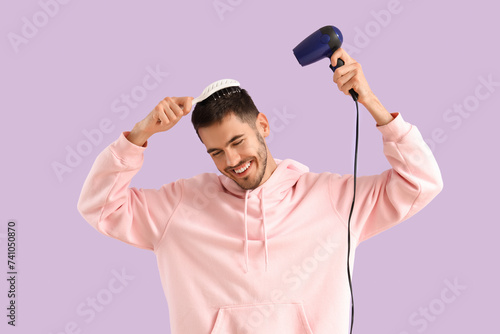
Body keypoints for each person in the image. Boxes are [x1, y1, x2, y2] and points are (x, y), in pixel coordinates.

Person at [77, 48, 443, 334]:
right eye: (216, 151)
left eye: (237, 141)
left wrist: (370, 102)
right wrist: (139, 135)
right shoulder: (181, 206)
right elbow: (99, 206)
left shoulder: (332, 199)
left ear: (263, 125)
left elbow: (421, 181)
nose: (232, 160)